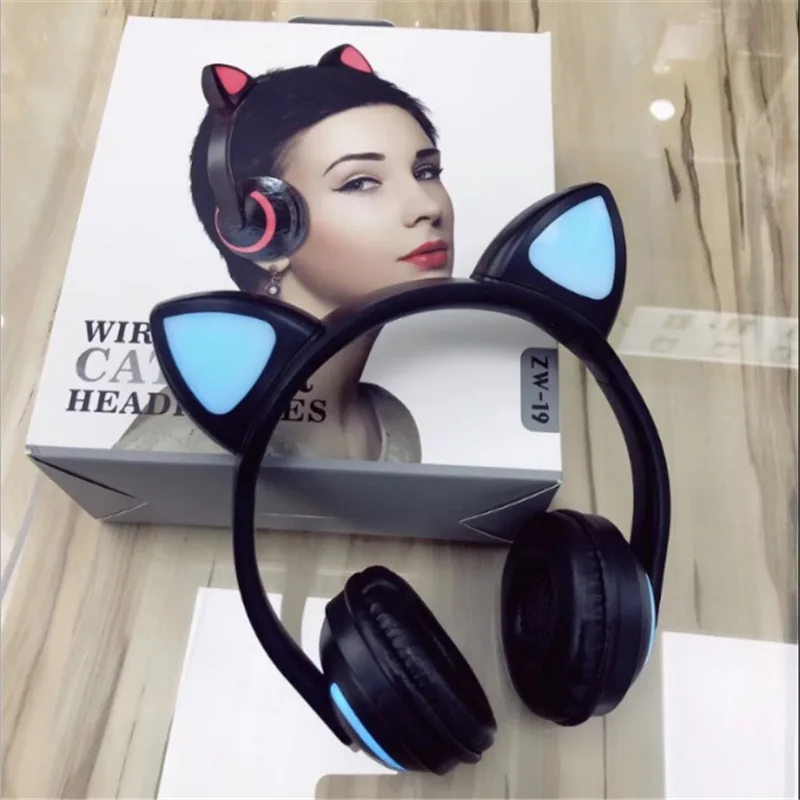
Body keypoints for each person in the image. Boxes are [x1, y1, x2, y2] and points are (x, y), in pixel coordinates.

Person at [115, 43, 454, 462]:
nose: (427, 206)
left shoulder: (390, 422)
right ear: (257, 229)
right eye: (360, 182)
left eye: (426, 171)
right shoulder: (180, 450)